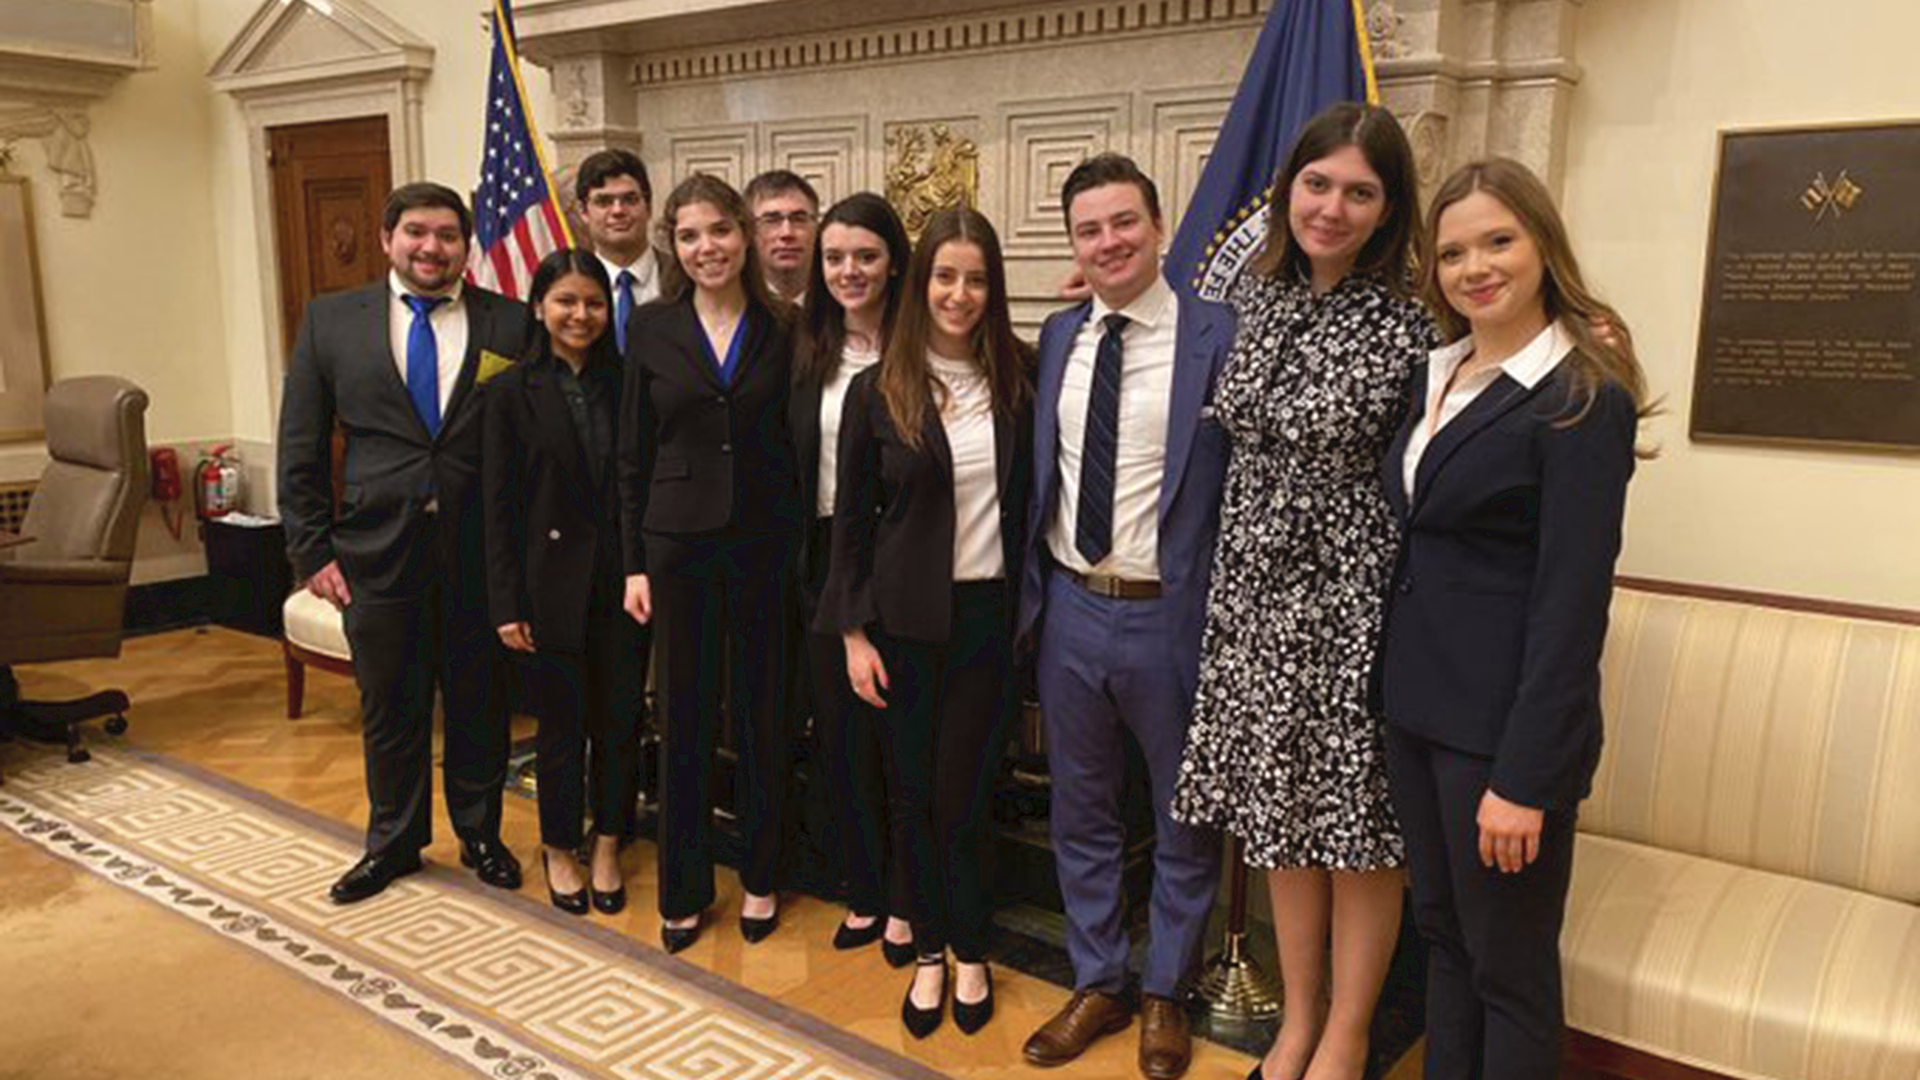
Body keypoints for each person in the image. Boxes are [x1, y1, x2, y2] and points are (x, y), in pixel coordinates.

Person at [1168, 103, 1432, 1080]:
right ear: (1289, 188)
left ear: (1387, 208)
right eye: (1318, 184)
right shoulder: (1256, 294)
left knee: (1357, 830)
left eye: (1359, 191)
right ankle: (1299, 1018)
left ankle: (1350, 1032)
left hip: (1350, 608)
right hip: (1252, 605)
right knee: (1280, 820)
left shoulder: (1414, 321)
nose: (1331, 206)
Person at [1379, 157, 1646, 1080]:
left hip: (1499, 743)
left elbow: (1572, 607)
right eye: (1452, 251)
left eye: (1498, 240)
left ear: (1542, 245)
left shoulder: (1582, 397)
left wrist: (1525, 779)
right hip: (1415, 713)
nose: (1474, 266)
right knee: (1444, 941)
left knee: (1512, 971)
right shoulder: (1437, 373)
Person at [1017, 153, 1231, 1080]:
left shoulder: (1218, 336)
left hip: (1169, 616)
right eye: (1089, 230)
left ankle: (1164, 993)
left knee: (1183, 816)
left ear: (1158, 225)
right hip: (1069, 607)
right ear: (1073, 245)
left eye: (1124, 223)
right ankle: (1100, 977)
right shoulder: (1060, 337)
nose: (1108, 242)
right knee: (1083, 810)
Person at [278, 182, 530, 904]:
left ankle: (480, 833)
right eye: (417, 232)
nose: (432, 247)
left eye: (448, 235)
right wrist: (311, 552)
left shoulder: (509, 324)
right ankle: (393, 842)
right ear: (389, 238)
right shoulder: (333, 322)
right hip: (374, 551)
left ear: (466, 246)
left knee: (481, 701)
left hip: (481, 550)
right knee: (391, 703)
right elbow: (300, 441)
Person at [819, 207, 1033, 1039]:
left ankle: (972, 948)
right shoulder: (882, 387)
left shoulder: (1022, 373)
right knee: (911, 797)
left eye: (976, 278)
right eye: (946, 275)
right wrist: (853, 633)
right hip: (900, 624)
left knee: (964, 798)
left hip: (988, 619)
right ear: (921, 283)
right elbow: (851, 527)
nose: (960, 293)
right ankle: (931, 954)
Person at [618, 173, 802, 954]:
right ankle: (685, 886)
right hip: (678, 545)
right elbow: (632, 453)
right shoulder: (654, 329)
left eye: (719, 232)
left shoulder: (789, 325)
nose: (706, 249)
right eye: (689, 236)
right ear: (674, 245)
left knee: (764, 715)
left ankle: (762, 876)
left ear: (745, 236)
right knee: (684, 718)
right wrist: (634, 564)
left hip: (766, 543)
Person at [482, 249, 645, 916]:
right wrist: (505, 600)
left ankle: (607, 841)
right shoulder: (508, 391)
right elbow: (497, 507)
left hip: (623, 584)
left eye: (594, 303)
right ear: (540, 307)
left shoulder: (630, 381)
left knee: (620, 722)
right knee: (560, 726)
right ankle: (558, 847)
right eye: (567, 302)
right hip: (548, 586)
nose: (581, 315)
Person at [790, 192, 917, 963]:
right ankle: (865, 890)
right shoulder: (807, 350)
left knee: (902, 740)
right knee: (841, 741)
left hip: (903, 558)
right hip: (820, 560)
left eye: (864, 256)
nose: (849, 271)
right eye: (834, 258)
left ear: (894, 261)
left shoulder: (926, 342)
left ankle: (909, 897)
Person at [576, 149, 661, 355]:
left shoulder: (684, 277)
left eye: (630, 199)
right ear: (583, 212)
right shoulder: (570, 284)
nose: (618, 211)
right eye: (604, 202)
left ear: (648, 206)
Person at [746, 169, 820, 304]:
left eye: (799, 219)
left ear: (817, 227)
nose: (787, 233)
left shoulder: (845, 305)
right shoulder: (732, 309)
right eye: (771, 220)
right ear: (749, 231)